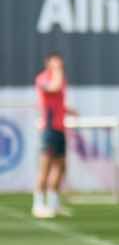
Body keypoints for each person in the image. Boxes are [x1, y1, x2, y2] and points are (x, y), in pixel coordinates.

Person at [32, 53, 72, 219]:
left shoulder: (60, 78)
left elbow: (57, 101)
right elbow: (53, 88)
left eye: (60, 63)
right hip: (49, 129)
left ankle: (53, 203)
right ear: (48, 63)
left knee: (61, 167)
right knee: (45, 167)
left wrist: (68, 110)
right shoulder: (42, 78)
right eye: (55, 63)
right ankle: (38, 204)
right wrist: (57, 71)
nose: (59, 65)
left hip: (60, 128)